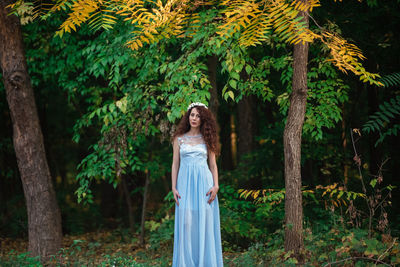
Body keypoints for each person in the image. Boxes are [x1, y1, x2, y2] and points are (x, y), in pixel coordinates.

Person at [171, 102, 224, 267]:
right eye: (192, 115)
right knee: (186, 223)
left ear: (203, 119)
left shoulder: (208, 138)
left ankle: (205, 263)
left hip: (204, 185)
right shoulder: (178, 139)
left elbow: (213, 165)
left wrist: (216, 186)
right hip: (185, 185)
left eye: (198, 116)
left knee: (204, 223)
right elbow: (175, 164)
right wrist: (173, 187)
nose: (194, 118)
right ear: (188, 117)